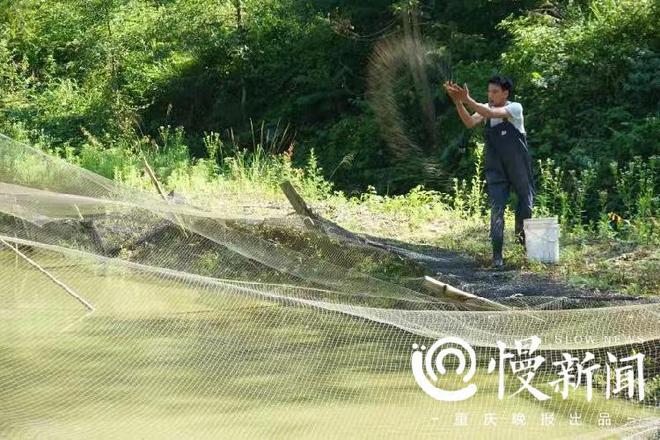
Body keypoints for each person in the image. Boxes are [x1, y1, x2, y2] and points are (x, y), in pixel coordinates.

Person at [443, 76, 534, 268]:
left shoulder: (515, 108)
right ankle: (497, 256)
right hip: (496, 168)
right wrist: (459, 102)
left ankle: (523, 249)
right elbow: (469, 122)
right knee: (497, 209)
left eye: (495, 92)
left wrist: (468, 100)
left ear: (505, 93)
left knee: (525, 205)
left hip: (518, 165)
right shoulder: (485, 108)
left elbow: (491, 113)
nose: (490, 95)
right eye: (489, 91)